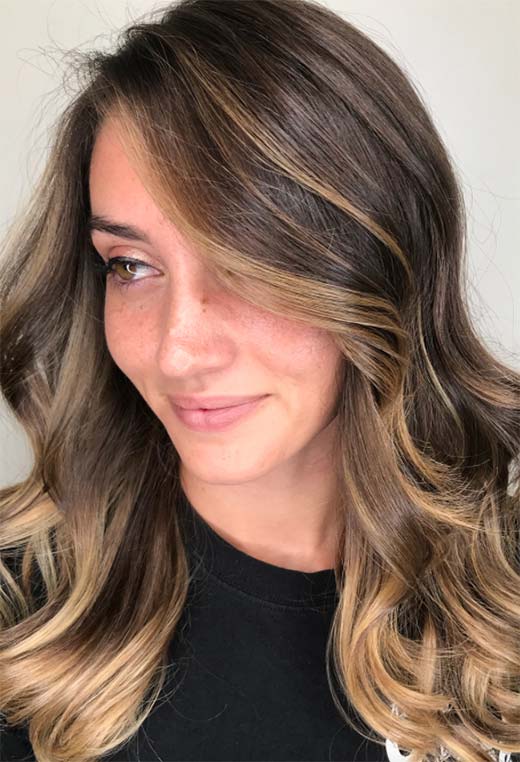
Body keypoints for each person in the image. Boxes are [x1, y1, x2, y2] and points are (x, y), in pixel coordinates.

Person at [0, 0, 518, 760]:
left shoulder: (503, 590)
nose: (178, 351)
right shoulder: (20, 615)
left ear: (380, 267)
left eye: (245, 262)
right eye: (131, 266)